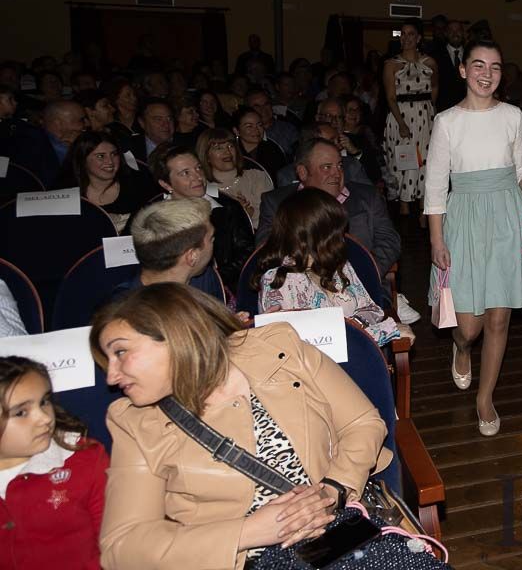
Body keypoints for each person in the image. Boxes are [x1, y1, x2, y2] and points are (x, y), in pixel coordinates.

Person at [92, 283, 389, 568]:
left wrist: (333, 490)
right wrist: (248, 532)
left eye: (120, 352)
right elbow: (123, 545)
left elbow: (362, 423)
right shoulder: (135, 423)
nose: (112, 377)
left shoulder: (278, 350)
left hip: (335, 536)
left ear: (176, 335)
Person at [424, 35, 522, 437]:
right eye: (478, 65)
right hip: (463, 220)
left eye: (495, 67)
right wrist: (436, 241)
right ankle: (461, 349)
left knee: (499, 319)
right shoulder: (446, 122)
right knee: (470, 326)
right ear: (462, 70)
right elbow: (434, 189)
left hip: (507, 219)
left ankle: (485, 397)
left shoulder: (513, 115)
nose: (487, 74)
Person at [253, 188, 407, 346]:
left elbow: (371, 309)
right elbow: (318, 347)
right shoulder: (280, 282)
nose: (342, 238)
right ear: (317, 236)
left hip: (354, 356)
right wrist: (386, 331)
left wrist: (354, 325)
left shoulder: (337, 264)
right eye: (337, 232)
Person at [0, 356, 108, 569]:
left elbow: (113, 544)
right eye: (21, 412)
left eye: (44, 401)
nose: (45, 418)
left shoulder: (85, 459)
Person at [257, 138, 404, 295]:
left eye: (340, 166)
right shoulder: (277, 202)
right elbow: (266, 249)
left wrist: (362, 274)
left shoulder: (367, 197)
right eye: (327, 167)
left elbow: (389, 241)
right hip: (299, 292)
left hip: (362, 287)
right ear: (303, 172)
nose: (337, 173)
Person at [150, 145, 254, 291]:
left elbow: (247, 254)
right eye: (185, 173)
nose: (198, 177)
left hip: (222, 287)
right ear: (166, 184)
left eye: (198, 168)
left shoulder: (228, 208)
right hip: (169, 291)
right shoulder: (152, 217)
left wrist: (212, 279)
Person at [110, 197, 225, 301]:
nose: (214, 242)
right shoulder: (129, 312)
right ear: (192, 256)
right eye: (211, 239)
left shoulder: (202, 277)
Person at [383, 20, 438, 214]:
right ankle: (404, 206)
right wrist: (401, 122)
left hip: (424, 117)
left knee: (425, 159)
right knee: (404, 160)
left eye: (411, 34)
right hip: (401, 115)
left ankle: (424, 205)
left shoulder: (429, 62)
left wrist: (430, 110)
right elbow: (390, 96)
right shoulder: (391, 64)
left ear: (418, 38)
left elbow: (435, 87)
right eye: (403, 34)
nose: (406, 38)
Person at [58, 130, 152, 233]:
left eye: (114, 154)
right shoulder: (65, 192)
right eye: (100, 156)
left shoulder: (139, 184)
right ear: (83, 159)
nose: (110, 161)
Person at [196, 127, 274, 230]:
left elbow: (270, 220)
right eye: (219, 148)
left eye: (230, 146)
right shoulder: (203, 188)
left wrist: (249, 214)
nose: (227, 152)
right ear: (206, 156)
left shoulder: (256, 177)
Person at [9, 99, 87, 186]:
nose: (87, 124)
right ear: (59, 123)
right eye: (81, 120)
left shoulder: (79, 140)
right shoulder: (29, 144)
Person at [233, 106, 287, 180]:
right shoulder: (229, 151)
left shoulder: (273, 149)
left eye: (259, 125)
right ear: (236, 131)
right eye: (249, 126)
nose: (256, 130)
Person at [245, 88, 298, 156]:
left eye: (266, 104)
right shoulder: (246, 134)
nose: (263, 109)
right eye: (257, 106)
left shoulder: (288, 129)